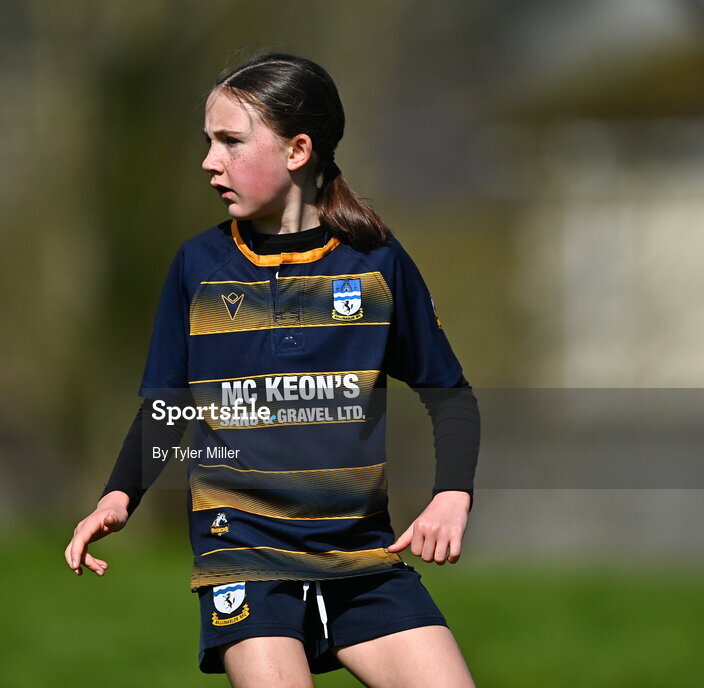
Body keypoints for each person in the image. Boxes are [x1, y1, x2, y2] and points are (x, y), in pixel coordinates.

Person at [65, 53, 481, 688]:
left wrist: (452, 493)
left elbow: (449, 396)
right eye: (208, 141)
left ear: (298, 151)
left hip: (364, 556)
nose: (210, 160)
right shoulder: (198, 265)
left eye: (231, 141)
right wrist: (121, 493)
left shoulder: (376, 264)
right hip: (243, 554)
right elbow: (166, 404)